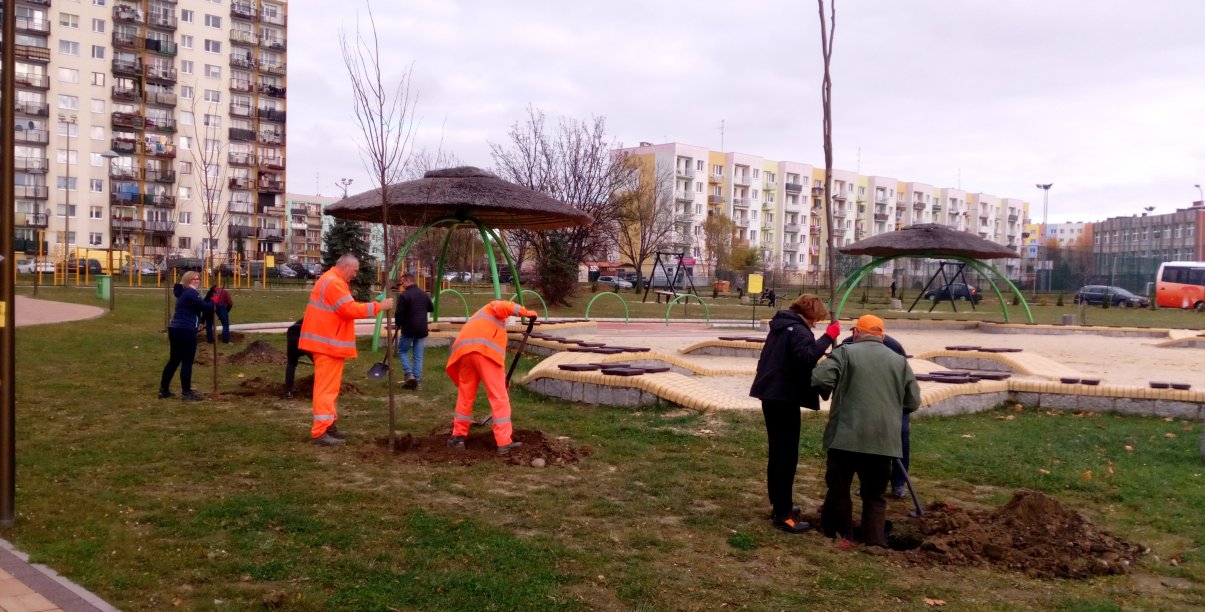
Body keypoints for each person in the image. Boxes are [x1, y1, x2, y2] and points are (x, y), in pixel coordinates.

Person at [811, 315, 921, 547]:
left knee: (839, 490)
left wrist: (831, 387)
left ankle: (843, 536)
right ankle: (874, 541)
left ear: (857, 333)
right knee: (875, 496)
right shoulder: (899, 361)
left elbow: (820, 377)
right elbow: (913, 401)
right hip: (883, 442)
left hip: (845, 439)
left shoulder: (845, 353)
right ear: (881, 335)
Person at [749, 294, 840, 533]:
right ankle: (783, 514)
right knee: (786, 457)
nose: (815, 324)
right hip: (783, 398)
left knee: (778, 453)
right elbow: (807, 357)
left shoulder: (781, 326)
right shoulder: (798, 331)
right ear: (809, 314)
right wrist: (829, 336)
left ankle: (780, 505)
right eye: (816, 320)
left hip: (772, 395)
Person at [299, 254, 394, 446]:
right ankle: (320, 432)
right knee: (325, 390)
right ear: (345, 267)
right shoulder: (334, 283)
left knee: (331, 389)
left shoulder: (330, 280)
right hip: (327, 344)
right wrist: (379, 307)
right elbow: (349, 309)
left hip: (329, 344)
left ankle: (328, 425)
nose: (355, 275)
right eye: (355, 270)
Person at [446, 300, 538, 456]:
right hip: (484, 353)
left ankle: (458, 437)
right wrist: (526, 312)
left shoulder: (480, 318)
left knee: (465, 395)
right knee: (499, 398)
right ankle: (504, 443)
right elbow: (506, 306)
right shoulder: (492, 307)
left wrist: (501, 381)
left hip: (465, 354)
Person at [159, 271, 214, 401]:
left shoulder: (183, 293)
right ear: (187, 280)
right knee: (187, 362)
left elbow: (197, 305)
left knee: (174, 360)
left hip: (175, 329)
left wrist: (208, 297)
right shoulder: (191, 292)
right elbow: (205, 307)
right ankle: (187, 393)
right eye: (193, 279)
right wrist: (215, 300)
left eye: (198, 278)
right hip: (186, 330)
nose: (196, 280)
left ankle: (164, 390)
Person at [394, 272, 434, 390]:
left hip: (409, 328)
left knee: (402, 350)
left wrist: (398, 324)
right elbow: (431, 308)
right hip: (422, 329)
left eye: (402, 282)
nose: (402, 285)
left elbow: (398, 313)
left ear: (407, 281)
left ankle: (409, 373)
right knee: (418, 356)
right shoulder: (423, 294)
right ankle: (417, 381)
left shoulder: (404, 295)